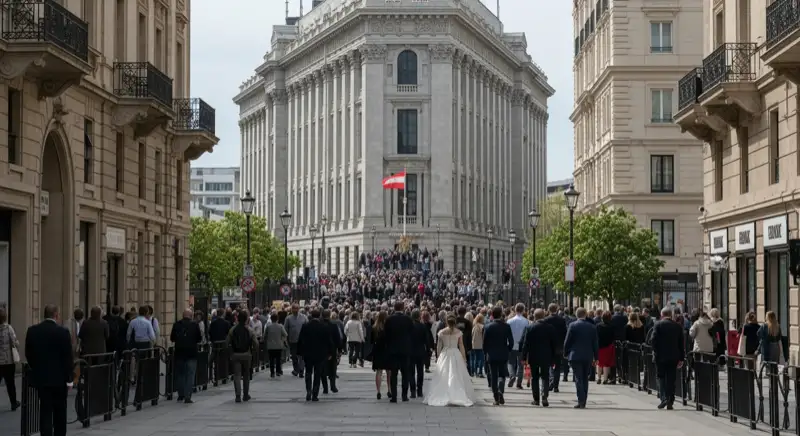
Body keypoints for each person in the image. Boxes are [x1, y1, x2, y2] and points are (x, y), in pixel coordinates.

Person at [25, 305, 73, 436]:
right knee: (60, 411)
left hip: (42, 378)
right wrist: (69, 379)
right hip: (59, 379)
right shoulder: (63, 332)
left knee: (45, 410)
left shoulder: (32, 331)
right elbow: (68, 357)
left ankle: (45, 434)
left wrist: (37, 368)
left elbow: (29, 354)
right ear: (56, 315)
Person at [424, 314, 476, 407]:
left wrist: (438, 356)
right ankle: (456, 392)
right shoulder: (458, 332)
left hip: (445, 353)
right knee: (456, 373)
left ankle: (444, 391)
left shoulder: (441, 332)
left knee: (443, 374)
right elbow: (461, 346)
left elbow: (439, 346)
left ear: (447, 322)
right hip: (455, 353)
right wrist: (464, 358)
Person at [520, 309, 557, 407]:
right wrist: (554, 358)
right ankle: (544, 395)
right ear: (544, 316)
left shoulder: (530, 327)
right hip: (546, 356)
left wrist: (523, 357)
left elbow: (525, 344)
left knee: (535, 377)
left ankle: (536, 399)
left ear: (535, 316)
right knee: (545, 376)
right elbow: (554, 344)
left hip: (534, 356)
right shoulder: (550, 328)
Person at [650, 307, 685, 409]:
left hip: (660, 356)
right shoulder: (677, 326)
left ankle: (663, 397)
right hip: (673, 356)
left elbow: (653, 340)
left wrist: (656, 351)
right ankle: (670, 399)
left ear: (662, 315)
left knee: (661, 377)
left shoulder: (658, 325)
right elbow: (681, 344)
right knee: (671, 378)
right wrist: (681, 358)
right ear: (671, 315)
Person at [563, 307, 598, 409]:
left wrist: (565, 352)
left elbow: (567, 341)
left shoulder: (572, 325)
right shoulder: (592, 327)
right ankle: (584, 399)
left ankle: (581, 400)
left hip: (575, 355)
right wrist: (596, 357)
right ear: (586, 314)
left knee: (578, 378)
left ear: (576, 315)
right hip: (587, 355)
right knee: (585, 378)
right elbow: (595, 343)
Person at [297, 309, 335, 402]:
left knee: (308, 372)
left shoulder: (305, 326)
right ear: (319, 316)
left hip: (308, 353)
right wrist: (330, 352)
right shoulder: (324, 327)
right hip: (320, 354)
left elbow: (300, 340)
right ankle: (315, 394)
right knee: (317, 374)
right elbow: (329, 341)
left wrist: (300, 352)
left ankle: (308, 391)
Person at [482, 306, 514, 406]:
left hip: (491, 354)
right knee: (502, 374)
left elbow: (484, 343)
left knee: (493, 375)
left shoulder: (487, 326)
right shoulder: (506, 326)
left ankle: (496, 396)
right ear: (501, 315)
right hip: (503, 353)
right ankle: (501, 390)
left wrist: (486, 352)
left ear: (492, 315)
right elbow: (511, 342)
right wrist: (507, 349)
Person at [384, 301, 414, 403]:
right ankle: (404, 395)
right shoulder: (408, 319)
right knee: (405, 373)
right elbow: (412, 333)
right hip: (405, 350)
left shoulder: (389, 319)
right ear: (402, 308)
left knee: (393, 374)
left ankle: (394, 396)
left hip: (393, 350)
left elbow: (386, 335)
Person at [170, 309, 202, 403]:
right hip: (191, 353)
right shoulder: (194, 325)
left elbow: (172, 338)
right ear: (191, 316)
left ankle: (181, 394)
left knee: (180, 374)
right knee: (190, 375)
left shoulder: (176, 324)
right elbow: (199, 338)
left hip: (179, 352)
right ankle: (188, 396)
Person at [228, 310, 257, 403]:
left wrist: (230, 352)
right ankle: (245, 394)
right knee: (246, 375)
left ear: (237, 318)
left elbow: (226, 342)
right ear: (246, 319)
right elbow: (256, 343)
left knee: (237, 375)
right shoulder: (249, 330)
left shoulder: (233, 329)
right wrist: (253, 351)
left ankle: (237, 395)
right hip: (246, 354)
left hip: (236, 354)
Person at [409, 309, 434, 399]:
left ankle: (412, 391)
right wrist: (428, 350)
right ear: (419, 316)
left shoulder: (409, 326)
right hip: (420, 351)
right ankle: (419, 390)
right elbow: (426, 340)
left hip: (411, 351)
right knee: (420, 372)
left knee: (411, 372)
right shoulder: (423, 326)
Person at [542, 303, 567, 392]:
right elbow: (565, 333)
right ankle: (556, 386)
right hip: (558, 346)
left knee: (549, 365)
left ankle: (551, 380)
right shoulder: (562, 320)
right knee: (557, 366)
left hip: (548, 346)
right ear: (556, 310)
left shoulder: (546, 320)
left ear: (548, 310)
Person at [0, 307, 20, 410]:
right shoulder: (8, 328)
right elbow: (14, 341)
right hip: (8, 361)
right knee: (10, 383)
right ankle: (13, 403)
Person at [320, 309, 343, 394]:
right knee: (332, 369)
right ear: (329, 315)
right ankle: (333, 386)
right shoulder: (333, 326)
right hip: (332, 350)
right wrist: (340, 349)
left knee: (322, 370)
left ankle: (325, 388)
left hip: (322, 351)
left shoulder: (320, 325)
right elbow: (338, 339)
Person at [507, 303, 528, 389]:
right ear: (523, 310)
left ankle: (512, 375)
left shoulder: (509, 321)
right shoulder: (526, 321)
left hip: (511, 344)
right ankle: (519, 383)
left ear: (515, 310)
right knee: (521, 365)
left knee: (510, 362)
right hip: (521, 345)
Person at [370, 311, 390, 399]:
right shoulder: (388, 327)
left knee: (379, 372)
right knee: (389, 371)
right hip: (387, 350)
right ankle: (389, 389)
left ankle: (378, 391)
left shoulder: (374, 327)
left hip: (377, 351)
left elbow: (371, 341)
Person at [285, 304, 308, 377]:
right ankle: (296, 369)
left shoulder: (304, 317)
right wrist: (286, 339)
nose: (295, 310)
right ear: (291, 309)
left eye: (296, 308)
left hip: (302, 341)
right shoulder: (288, 318)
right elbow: (285, 330)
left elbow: (307, 327)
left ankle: (301, 370)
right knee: (294, 356)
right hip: (292, 340)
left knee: (301, 357)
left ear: (298, 309)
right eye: (293, 309)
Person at [264, 313, 288, 377]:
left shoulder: (268, 327)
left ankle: (272, 372)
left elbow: (265, 335)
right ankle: (278, 371)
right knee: (278, 359)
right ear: (277, 319)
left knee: (271, 359)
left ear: (271, 319)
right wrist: (282, 340)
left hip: (270, 346)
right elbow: (285, 334)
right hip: (278, 345)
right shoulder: (280, 326)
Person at [595, 311, 616, 384]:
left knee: (599, 363)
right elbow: (613, 337)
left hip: (599, 347)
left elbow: (596, 337)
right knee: (606, 364)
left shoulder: (598, 326)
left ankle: (599, 378)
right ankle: (605, 379)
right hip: (608, 347)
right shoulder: (612, 326)